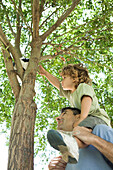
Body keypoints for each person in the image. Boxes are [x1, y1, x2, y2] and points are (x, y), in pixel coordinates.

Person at [39, 64, 111, 162]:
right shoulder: (70, 94)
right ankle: (72, 149)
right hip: (88, 119)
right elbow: (58, 85)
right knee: (81, 135)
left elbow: (87, 100)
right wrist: (45, 73)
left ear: (74, 78)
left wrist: (81, 118)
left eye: (64, 78)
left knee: (80, 129)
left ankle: (71, 144)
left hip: (96, 117)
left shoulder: (83, 87)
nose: (62, 81)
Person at [48, 107, 113, 170]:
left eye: (64, 114)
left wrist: (93, 139)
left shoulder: (99, 130)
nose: (58, 118)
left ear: (78, 117)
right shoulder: (67, 156)